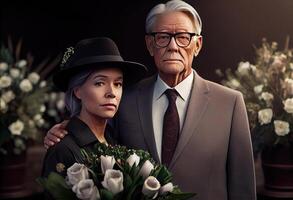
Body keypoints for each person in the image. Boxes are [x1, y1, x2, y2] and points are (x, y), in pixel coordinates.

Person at [44, 0, 256, 199]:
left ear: (198, 45)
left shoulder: (230, 103)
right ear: (150, 44)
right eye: (163, 36)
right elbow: (95, 140)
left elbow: (243, 188)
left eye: (183, 36)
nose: (173, 46)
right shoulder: (124, 99)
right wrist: (66, 129)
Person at [42, 37, 147, 178]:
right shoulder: (62, 149)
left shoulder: (111, 139)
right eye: (99, 83)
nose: (111, 93)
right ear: (77, 91)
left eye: (118, 84)